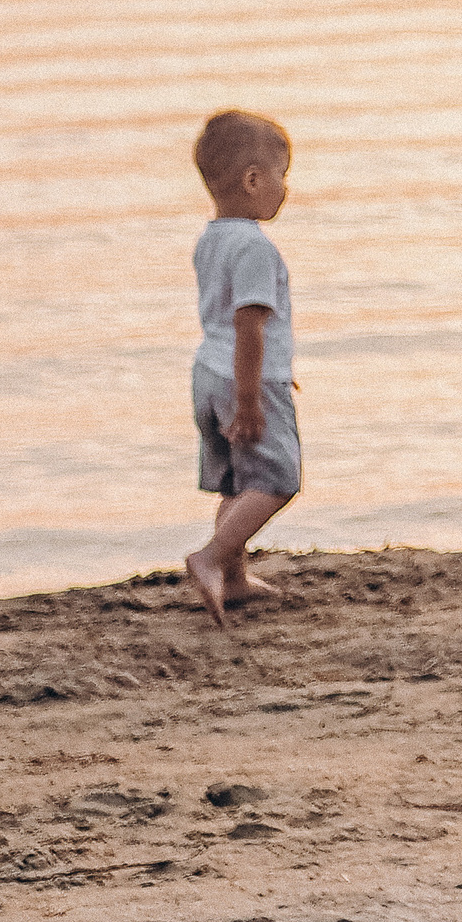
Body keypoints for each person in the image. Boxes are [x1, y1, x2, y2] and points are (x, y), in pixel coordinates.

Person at [186, 109, 301, 629]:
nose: (285, 188)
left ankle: (233, 578)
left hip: (209, 373)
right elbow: (250, 326)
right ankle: (212, 558)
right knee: (277, 478)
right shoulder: (256, 247)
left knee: (237, 481)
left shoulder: (212, 239)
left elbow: (228, 322)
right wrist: (254, 398)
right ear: (254, 180)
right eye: (283, 175)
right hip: (241, 378)